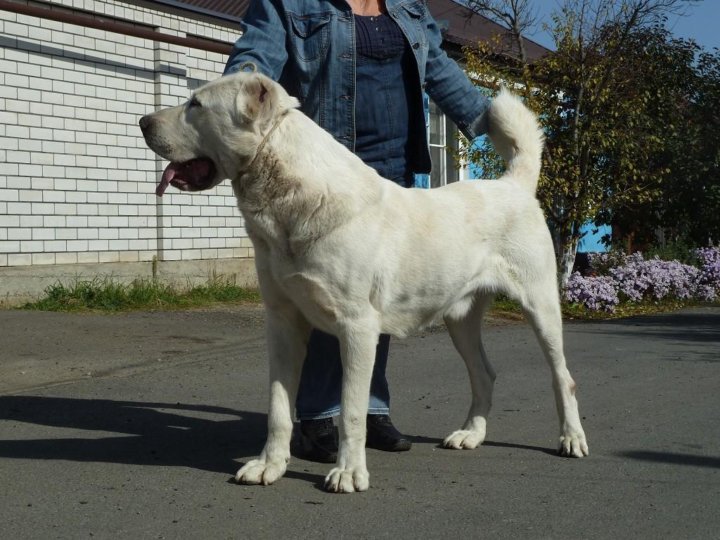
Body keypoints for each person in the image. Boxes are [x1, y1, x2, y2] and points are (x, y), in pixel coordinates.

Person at [224, 0, 491, 463]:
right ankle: (319, 415)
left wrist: (496, 124)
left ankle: (369, 405)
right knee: (327, 298)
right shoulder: (289, 4)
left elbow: (439, 70)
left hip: (391, 170)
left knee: (373, 298)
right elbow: (254, 57)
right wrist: (242, 90)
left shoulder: (407, 8)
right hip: (327, 170)